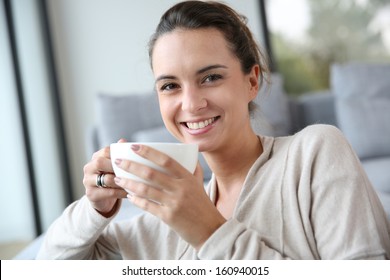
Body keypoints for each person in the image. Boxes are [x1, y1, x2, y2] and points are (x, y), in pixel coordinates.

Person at [37, 0, 390, 259]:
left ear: (252, 81)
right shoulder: (158, 225)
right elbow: (48, 264)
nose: (191, 104)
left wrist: (208, 230)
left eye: (210, 77)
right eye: (170, 86)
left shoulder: (314, 153)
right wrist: (94, 207)